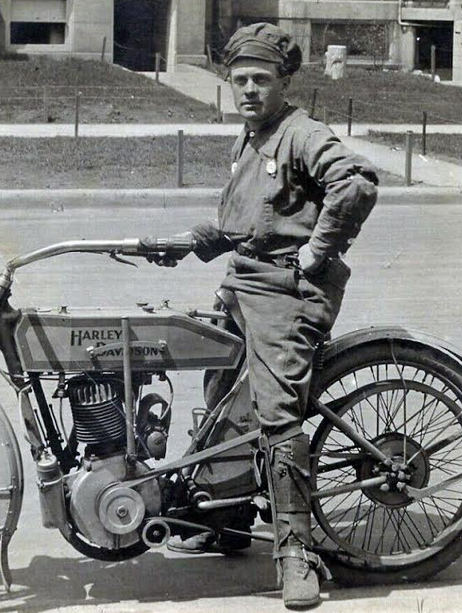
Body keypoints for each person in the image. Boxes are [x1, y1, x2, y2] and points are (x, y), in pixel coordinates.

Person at [145, 23, 379, 609]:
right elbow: (249, 222)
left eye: (261, 80)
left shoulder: (300, 133)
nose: (248, 89)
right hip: (245, 283)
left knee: (275, 416)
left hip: (288, 293)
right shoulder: (250, 138)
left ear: (284, 82)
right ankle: (223, 514)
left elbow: (355, 184)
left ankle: (295, 553)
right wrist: (193, 240)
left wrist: (316, 252)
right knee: (222, 390)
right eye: (239, 80)